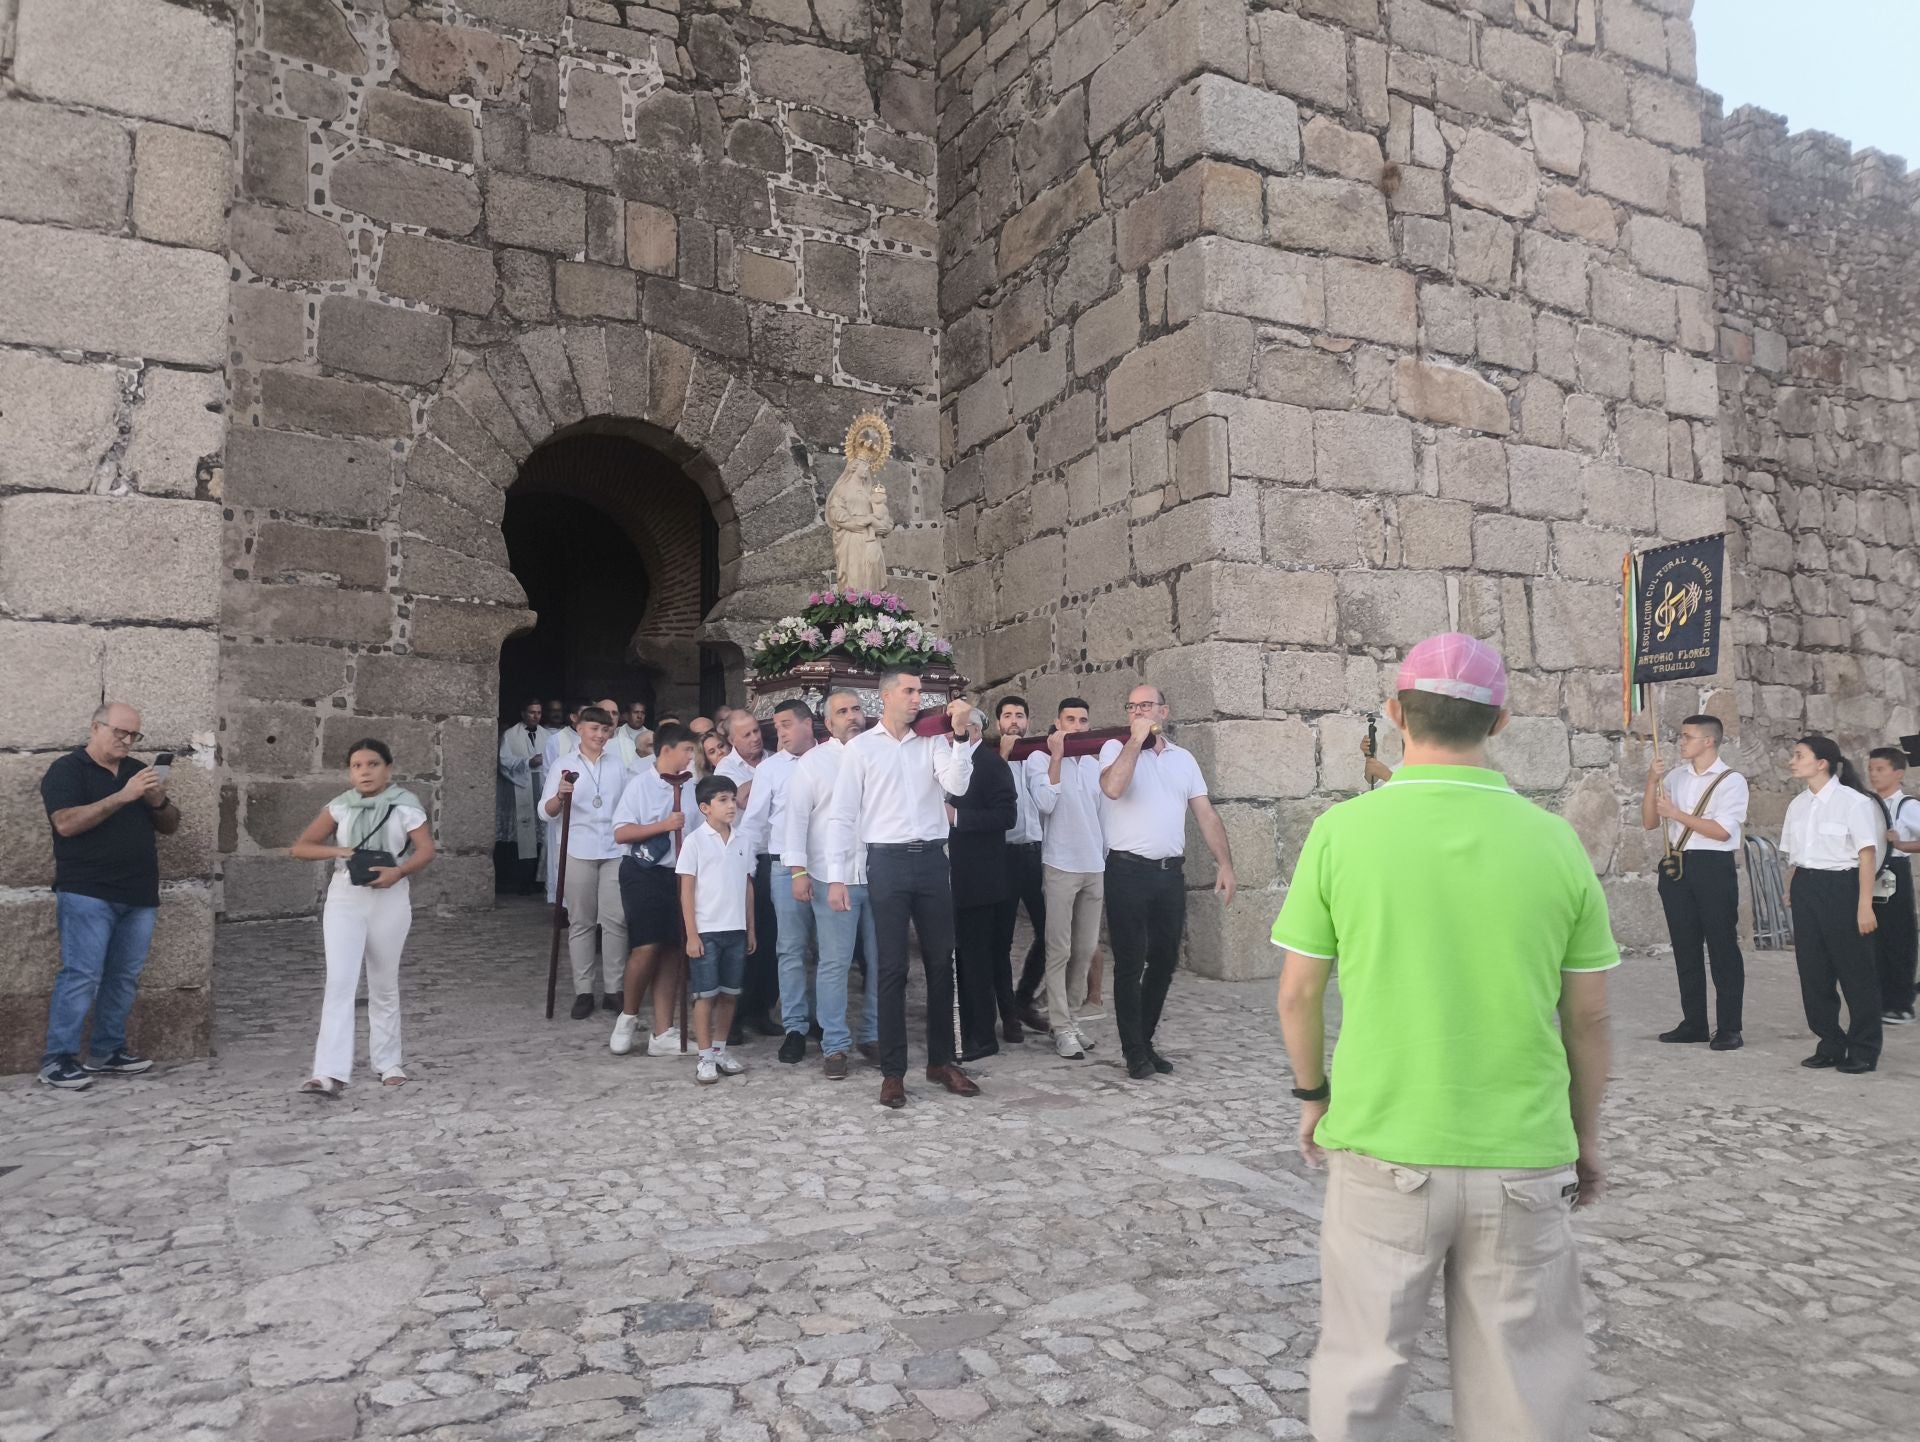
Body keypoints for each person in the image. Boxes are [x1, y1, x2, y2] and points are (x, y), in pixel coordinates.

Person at [1273, 632, 1617, 1442]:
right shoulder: (1555, 842)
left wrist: (1312, 1095)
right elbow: (1592, 1017)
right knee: (1524, 1382)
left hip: (1385, 1143)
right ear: (1500, 722)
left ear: (1395, 714)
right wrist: (1585, 1135)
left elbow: (1297, 994)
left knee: (1362, 1367)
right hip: (1522, 1153)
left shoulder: (1342, 833)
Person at [825, 671, 980, 1108]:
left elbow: (956, 786)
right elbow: (843, 816)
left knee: (940, 962)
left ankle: (942, 1061)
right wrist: (838, 876)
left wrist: (962, 737)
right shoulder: (860, 749)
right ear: (886, 696)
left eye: (920, 692)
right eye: (909, 692)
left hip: (931, 858)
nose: (917, 699)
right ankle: (893, 1072)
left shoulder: (932, 741)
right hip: (887, 860)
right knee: (891, 968)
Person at [36, 703, 182, 1090]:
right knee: (81, 975)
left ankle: (107, 1050)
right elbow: (65, 824)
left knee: (124, 977)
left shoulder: (137, 772)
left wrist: (157, 801)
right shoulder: (66, 770)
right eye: (120, 732)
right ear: (95, 728)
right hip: (87, 891)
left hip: (138, 892)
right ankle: (58, 1058)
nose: (127, 741)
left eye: (134, 735)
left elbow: (169, 826)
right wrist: (123, 796)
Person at [1099, 684, 1236, 1080]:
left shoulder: (1183, 760)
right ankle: (1134, 1052)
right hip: (1127, 871)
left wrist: (1225, 864)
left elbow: (1206, 815)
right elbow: (1112, 787)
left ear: (1164, 710)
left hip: (1168, 874)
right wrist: (1134, 744)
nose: (1138, 712)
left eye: (1146, 705)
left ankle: (1144, 1039)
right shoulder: (1114, 750)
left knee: (1164, 961)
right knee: (1129, 963)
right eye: (1132, 706)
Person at [290, 739, 437, 1096]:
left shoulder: (405, 806)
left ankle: (388, 1062)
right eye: (357, 765)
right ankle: (328, 1071)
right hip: (346, 897)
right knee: (340, 982)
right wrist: (340, 850)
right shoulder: (340, 806)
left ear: (388, 768)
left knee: (383, 982)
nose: (365, 771)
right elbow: (301, 847)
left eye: (372, 764)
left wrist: (399, 873)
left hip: (389, 898)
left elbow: (426, 849)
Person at [784, 688, 880, 1078]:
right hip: (832, 876)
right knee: (834, 963)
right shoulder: (813, 762)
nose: (852, 716)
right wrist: (798, 872)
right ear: (828, 723)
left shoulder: (879, 753)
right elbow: (796, 819)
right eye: (843, 711)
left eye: (857, 709)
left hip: (879, 873)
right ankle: (835, 1044)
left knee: (881, 962)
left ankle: (873, 1033)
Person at [1642, 714, 1750, 1051]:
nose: (1681, 741)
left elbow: (1722, 831)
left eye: (1687, 736)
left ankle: (1730, 1027)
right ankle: (1694, 1022)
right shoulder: (1675, 777)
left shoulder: (1731, 780)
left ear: (1709, 741)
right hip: (1678, 864)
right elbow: (1648, 822)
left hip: (1713, 866)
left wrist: (1676, 814)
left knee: (1722, 947)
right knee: (1685, 947)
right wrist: (1650, 782)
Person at [1781, 736, 1885, 1074]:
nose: (1792, 761)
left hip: (1843, 886)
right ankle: (1830, 1042)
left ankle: (1864, 1048)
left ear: (1822, 762)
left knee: (1855, 972)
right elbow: (1795, 857)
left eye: (1799, 756)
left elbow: (1866, 854)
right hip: (1807, 886)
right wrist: (1791, 890)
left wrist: (1864, 905)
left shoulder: (1853, 803)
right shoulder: (1797, 804)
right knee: (1814, 972)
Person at [609, 722, 702, 1058]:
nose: (691, 757)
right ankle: (628, 1016)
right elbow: (621, 832)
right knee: (647, 945)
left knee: (672, 949)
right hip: (643, 871)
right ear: (667, 750)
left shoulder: (692, 788)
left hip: (679, 875)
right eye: (687, 750)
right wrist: (663, 826)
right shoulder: (639, 786)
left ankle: (663, 1031)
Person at [539, 705, 634, 1019]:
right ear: (579, 729)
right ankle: (583, 990)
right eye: (594, 729)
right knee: (580, 921)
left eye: (605, 730)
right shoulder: (564, 766)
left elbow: (628, 805)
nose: (600, 736)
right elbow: (545, 811)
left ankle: (613, 989)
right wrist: (561, 797)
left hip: (613, 850)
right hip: (577, 848)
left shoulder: (619, 765)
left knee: (615, 920)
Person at [1027, 697, 1107, 1059]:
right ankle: (1060, 1027)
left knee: (1086, 949)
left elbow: (1105, 813)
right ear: (1058, 724)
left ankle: (1072, 1017)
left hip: (1094, 864)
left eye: (1082, 720)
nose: (1076, 726)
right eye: (1069, 720)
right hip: (1060, 864)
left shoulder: (1095, 764)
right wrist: (1058, 757)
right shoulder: (1039, 759)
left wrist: (1105, 856)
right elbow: (1045, 803)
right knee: (1058, 949)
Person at [676, 776, 755, 1085]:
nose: (731, 805)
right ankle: (705, 1055)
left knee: (730, 994)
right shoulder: (695, 842)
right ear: (705, 808)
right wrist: (692, 934)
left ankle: (721, 1050)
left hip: (735, 929)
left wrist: (751, 928)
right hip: (707, 931)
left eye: (732, 798)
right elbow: (686, 891)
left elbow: (747, 886)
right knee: (705, 995)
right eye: (722, 800)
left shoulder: (743, 840)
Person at [951, 706, 1018, 1060]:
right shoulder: (952, 762)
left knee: (976, 961)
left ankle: (982, 1036)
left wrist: (958, 816)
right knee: (961, 958)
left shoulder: (992, 765)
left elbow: (1007, 815)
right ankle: (964, 1030)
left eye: (958, 728)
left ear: (974, 730)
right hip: (956, 877)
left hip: (980, 879)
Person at [755, 700, 818, 1063]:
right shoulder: (771, 769)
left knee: (828, 951)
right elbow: (757, 822)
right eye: (776, 726)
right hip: (784, 866)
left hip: (826, 866)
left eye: (786, 724)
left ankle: (823, 1019)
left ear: (808, 723)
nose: (780, 732)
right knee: (790, 949)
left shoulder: (830, 758)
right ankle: (795, 1026)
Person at [718, 710, 783, 1043]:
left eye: (757, 731)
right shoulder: (726, 767)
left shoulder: (774, 759)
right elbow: (739, 796)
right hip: (743, 864)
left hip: (775, 858)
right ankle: (733, 1016)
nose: (755, 738)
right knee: (744, 940)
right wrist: (775, 774)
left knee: (772, 940)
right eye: (746, 735)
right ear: (731, 740)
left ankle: (761, 1009)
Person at [994, 696, 1047, 1040]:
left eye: (1020, 715)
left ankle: (1023, 997)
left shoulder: (1037, 758)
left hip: (1034, 854)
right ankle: (1007, 1013)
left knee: (1050, 932)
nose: (1014, 721)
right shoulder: (988, 756)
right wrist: (1003, 754)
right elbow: (986, 793)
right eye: (1008, 715)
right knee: (1001, 940)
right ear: (998, 722)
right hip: (1003, 855)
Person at [1868, 746, 1920, 1024]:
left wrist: (1901, 844)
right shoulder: (1868, 804)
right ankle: (1877, 998)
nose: (1874, 775)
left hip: (1894, 873)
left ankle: (1900, 1002)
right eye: (1871, 770)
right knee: (1873, 939)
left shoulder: (1907, 807)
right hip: (1869, 873)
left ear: (1898, 773)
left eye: (1880, 769)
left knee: (1898, 938)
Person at [498, 699, 546, 895]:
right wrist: (528, 762)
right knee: (522, 836)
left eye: (539, 712)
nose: (536, 716)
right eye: (532, 712)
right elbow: (504, 761)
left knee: (540, 837)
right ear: (523, 713)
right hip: (520, 790)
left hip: (541, 789)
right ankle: (521, 880)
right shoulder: (510, 735)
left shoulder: (548, 735)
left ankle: (537, 878)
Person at [541, 700, 586, 904]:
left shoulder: (601, 743)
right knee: (560, 856)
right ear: (574, 718)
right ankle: (561, 902)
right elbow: (548, 773)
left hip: (586, 811)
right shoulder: (556, 740)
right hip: (562, 805)